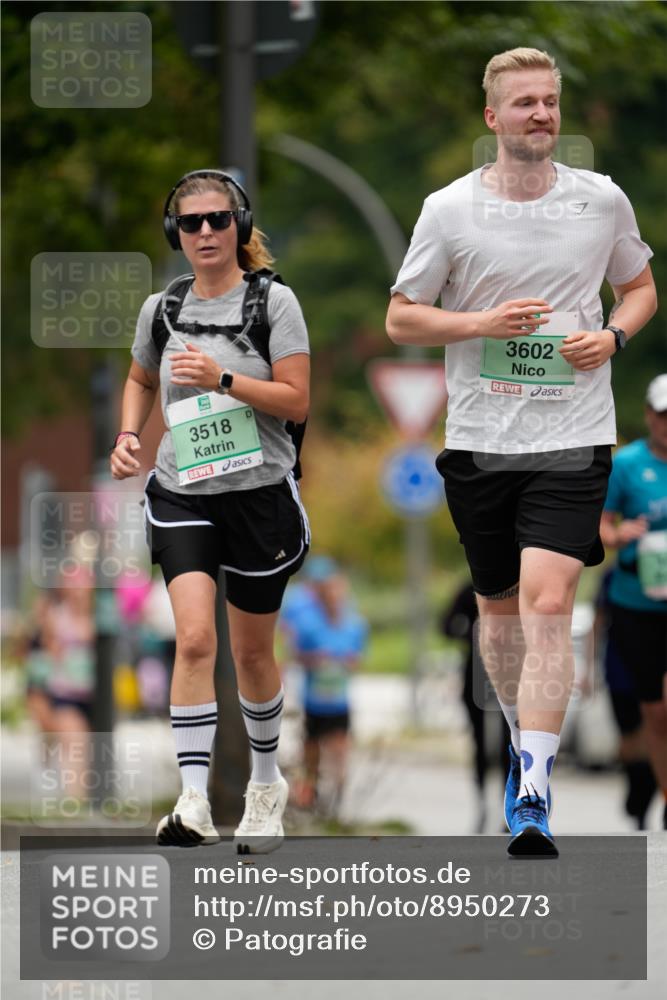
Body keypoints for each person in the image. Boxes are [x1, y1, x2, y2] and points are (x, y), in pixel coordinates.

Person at [386, 48, 657, 856]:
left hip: (572, 435)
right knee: (498, 618)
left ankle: (533, 789)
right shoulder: (448, 209)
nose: (540, 114)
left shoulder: (601, 200)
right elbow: (403, 318)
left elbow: (639, 289)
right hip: (479, 439)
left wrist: (611, 335)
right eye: (523, 103)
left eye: (548, 102)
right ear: (491, 119)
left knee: (546, 604)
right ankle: (523, 742)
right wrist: (478, 324)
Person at [111, 169, 310, 852]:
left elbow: (297, 401)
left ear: (239, 227)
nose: (204, 232)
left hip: (259, 499)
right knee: (195, 640)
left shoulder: (273, 304)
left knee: (252, 652)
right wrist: (131, 434)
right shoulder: (160, 310)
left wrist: (223, 378)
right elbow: (140, 378)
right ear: (175, 232)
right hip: (182, 492)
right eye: (191, 222)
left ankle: (263, 785)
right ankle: (192, 800)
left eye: (217, 220)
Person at [600, 375, 667, 829]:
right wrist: (618, 534)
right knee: (655, 712)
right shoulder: (626, 465)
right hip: (635, 603)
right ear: (649, 415)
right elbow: (600, 527)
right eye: (663, 415)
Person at [281, 556, 368, 815]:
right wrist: (315, 660)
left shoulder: (354, 624)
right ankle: (311, 792)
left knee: (340, 749)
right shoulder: (308, 623)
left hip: (340, 700)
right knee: (312, 751)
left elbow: (358, 658)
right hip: (313, 699)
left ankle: (338, 795)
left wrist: (346, 663)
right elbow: (295, 653)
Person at [439, 581, 510, 833]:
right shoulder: (469, 588)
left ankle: (508, 806)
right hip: (475, 672)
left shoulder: (516, 583)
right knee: (479, 742)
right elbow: (445, 626)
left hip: (509, 670)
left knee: (509, 743)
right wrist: (472, 631)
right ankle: (481, 803)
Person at [593, 569, 656, 830]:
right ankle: (637, 796)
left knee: (653, 736)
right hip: (619, 670)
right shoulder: (612, 577)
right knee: (630, 742)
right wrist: (588, 667)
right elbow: (598, 621)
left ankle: (646, 799)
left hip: (654, 665)